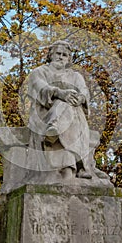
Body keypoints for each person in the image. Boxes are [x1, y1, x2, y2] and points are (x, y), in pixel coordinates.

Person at [27, 40, 92, 180]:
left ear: (69, 58)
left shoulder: (76, 76)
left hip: (73, 117)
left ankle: (54, 127)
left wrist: (81, 98)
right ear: (50, 55)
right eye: (58, 53)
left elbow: (84, 92)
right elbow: (40, 89)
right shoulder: (39, 72)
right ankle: (78, 167)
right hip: (44, 114)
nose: (61, 57)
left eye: (65, 55)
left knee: (68, 106)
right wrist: (59, 94)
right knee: (64, 102)